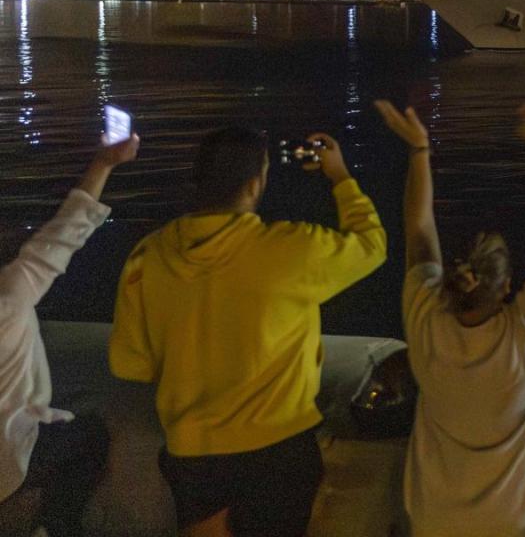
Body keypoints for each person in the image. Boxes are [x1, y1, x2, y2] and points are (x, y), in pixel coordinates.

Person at [108, 128, 386, 537]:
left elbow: (132, 365)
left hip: (193, 456)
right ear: (256, 183)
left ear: (198, 180)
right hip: (278, 451)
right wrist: (340, 176)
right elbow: (371, 244)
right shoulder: (291, 249)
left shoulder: (146, 256)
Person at [373, 99, 525, 537]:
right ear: (506, 287)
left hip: (434, 522)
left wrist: (419, 150)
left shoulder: (426, 320)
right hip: (516, 526)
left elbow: (419, 230)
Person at [0, 133, 137, 536]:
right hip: (11, 468)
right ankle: (55, 524)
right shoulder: (11, 296)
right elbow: (66, 231)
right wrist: (105, 163)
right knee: (91, 438)